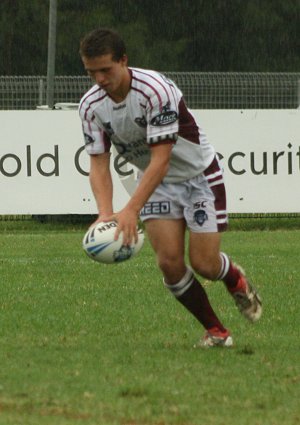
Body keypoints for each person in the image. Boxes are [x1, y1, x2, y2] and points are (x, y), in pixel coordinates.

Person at [78, 28, 262, 348]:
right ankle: (216, 331)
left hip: (198, 176)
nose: (99, 79)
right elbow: (98, 162)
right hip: (157, 183)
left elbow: (161, 159)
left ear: (124, 61)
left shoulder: (154, 90)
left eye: (106, 70)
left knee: (205, 263)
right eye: (91, 72)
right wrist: (106, 213)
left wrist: (130, 209)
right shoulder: (90, 105)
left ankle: (233, 276)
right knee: (169, 263)